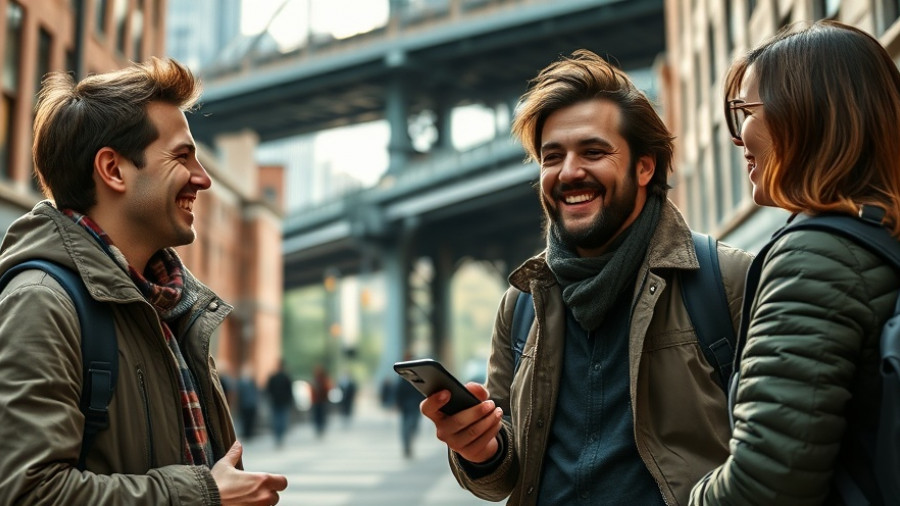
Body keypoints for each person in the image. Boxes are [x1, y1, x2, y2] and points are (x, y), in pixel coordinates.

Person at [419, 49, 753, 505]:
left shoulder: (727, 280)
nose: (569, 172)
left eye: (593, 152)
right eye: (552, 157)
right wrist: (479, 450)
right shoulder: (520, 304)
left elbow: (776, 460)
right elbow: (499, 479)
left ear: (644, 166)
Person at [0, 58, 287, 504]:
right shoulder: (41, 302)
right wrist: (205, 494)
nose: (204, 179)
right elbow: (28, 493)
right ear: (113, 170)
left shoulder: (171, 306)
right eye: (181, 156)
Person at [690, 20, 900, 505]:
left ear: (806, 115)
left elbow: (767, 484)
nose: (739, 139)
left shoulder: (815, 257)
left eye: (745, 109)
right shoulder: (882, 232)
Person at [395, 353, 426, 458]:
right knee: (406, 428)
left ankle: (409, 444)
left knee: (414, 427)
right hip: (406, 407)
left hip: (415, 406)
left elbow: (421, 390)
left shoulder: (417, 375)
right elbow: (399, 391)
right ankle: (407, 446)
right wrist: (398, 404)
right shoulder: (402, 376)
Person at [266, 360, 295, 447]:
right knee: (281, 420)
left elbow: (268, 390)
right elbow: (290, 391)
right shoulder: (286, 377)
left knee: (277, 420)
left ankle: (278, 436)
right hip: (282, 402)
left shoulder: (274, 377)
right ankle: (279, 436)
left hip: (277, 401)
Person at [237, 366, 261, 440]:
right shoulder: (240, 383)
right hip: (244, 404)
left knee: (251, 419)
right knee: (245, 419)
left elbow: (255, 393)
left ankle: (249, 433)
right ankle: (246, 433)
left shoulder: (252, 382)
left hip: (251, 404)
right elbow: (239, 394)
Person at [310, 364, 332, 438]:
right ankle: (318, 428)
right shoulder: (315, 380)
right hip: (316, 401)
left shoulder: (324, 380)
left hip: (323, 400)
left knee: (322, 415)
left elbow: (328, 389)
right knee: (317, 416)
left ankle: (321, 428)